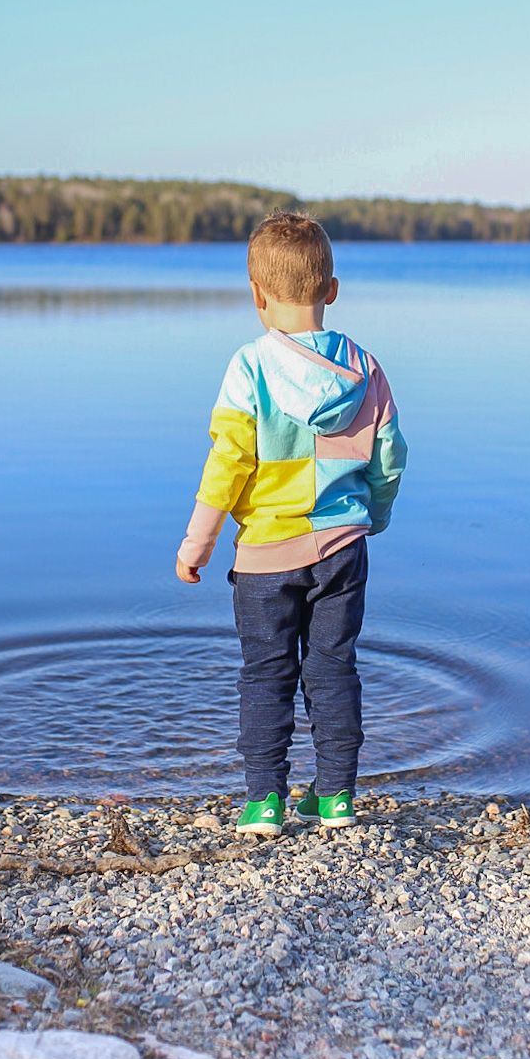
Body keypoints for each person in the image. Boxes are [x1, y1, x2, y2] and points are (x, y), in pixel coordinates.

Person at [175, 210, 407, 836]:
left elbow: (228, 463)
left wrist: (199, 541)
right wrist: (372, 516)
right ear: (331, 289)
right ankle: (335, 797)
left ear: (256, 296)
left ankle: (264, 801)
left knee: (265, 672)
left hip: (265, 556)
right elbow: (389, 453)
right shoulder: (363, 367)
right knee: (333, 668)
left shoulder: (249, 367)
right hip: (342, 548)